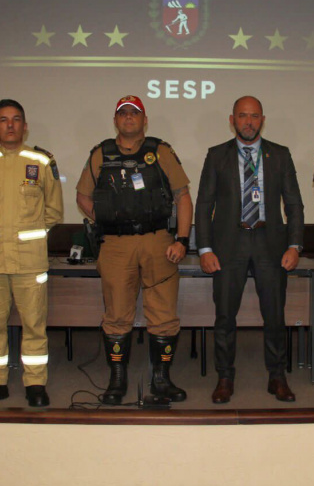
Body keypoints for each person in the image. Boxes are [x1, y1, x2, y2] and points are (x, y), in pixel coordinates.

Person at [75, 95, 192, 405]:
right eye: (123, 114)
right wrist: (107, 218)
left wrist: (181, 240)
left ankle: (161, 380)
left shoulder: (161, 152)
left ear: (144, 120)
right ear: (116, 120)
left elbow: (182, 196)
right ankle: (116, 381)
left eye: (134, 114)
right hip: (115, 245)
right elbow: (82, 196)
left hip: (157, 242)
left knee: (164, 313)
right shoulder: (101, 154)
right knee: (116, 315)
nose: (128, 118)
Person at [195, 96, 304, 403]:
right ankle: (225, 378)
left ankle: (277, 377)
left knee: (274, 316)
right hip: (229, 245)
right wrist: (204, 248)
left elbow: (294, 203)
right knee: (225, 317)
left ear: (262, 119)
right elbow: (204, 205)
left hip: (271, 243)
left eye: (254, 116)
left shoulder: (279, 155)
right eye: (242, 116)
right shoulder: (217, 156)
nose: (249, 122)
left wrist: (294, 245)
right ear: (232, 120)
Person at [0, 99, 63, 407]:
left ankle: (35, 383)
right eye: (3, 120)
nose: (10, 125)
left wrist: (28, 235)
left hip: (28, 261)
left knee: (35, 325)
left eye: (16, 119)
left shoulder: (42, 161)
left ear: (25, 126)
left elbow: (53, 211)